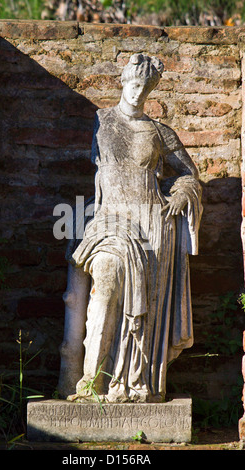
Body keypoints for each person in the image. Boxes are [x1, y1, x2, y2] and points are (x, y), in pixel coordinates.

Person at [58, 53, 203, 403]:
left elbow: (189, 174)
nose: (138, 92)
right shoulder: (101, 120)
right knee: (106, 284)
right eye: (134, 84)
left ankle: (137, 385)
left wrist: (184, 193)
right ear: (123, 81)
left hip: (154, 225)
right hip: (109, 222)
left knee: (147, 309)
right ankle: (90, 384)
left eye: (146, 87)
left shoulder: (159, 132)